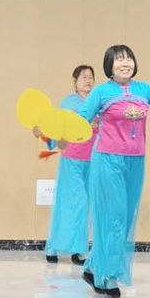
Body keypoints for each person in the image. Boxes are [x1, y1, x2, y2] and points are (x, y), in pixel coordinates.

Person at [77, 45, 150, 298]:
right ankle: (107, 276)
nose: (125, 63)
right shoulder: (101, 91)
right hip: (108, 160)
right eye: (119, 60)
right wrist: (58, 132)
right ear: (109, 65)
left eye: (128, 59)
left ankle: (93, 267)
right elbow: (80, 120)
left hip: (136, 161)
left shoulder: (144, 89)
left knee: (125, 219)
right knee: (114, 218)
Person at [37, 65, 98, 265]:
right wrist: (47, 136)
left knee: (86, 206)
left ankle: (78, 250)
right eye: (84, 77)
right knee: (72, 202)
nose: (88, 80)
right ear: (75, 81)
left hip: (94, 160)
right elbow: (59, 128)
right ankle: (53, 247)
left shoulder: (98, 101)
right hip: (72, 159)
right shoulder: (68, 102)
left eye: (91, 77)